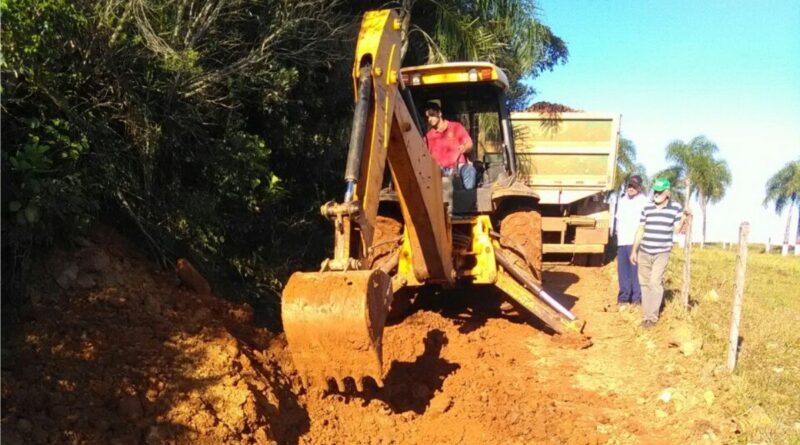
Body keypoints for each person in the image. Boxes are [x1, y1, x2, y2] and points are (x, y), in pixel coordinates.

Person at [630, 178, 691, 328]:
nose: (656, 194)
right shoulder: (647, 208)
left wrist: (684, 217)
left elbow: (676, 230)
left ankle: (652, 317)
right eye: (655, 191)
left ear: (667, 193)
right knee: (644, 284)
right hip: (644, 250)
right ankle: (646, 316)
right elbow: (641, 229)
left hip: (661, 252)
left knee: (654, 283)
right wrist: (634, 250)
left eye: (659, 192)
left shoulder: (675, 208)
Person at [423, 102, 477, 189]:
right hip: (438, 171)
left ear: (440, 113)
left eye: (432, 115)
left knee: (470, 170)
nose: (430, 119)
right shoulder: (428, 137)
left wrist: (465, 147)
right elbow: (424, 157)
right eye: (427, 117)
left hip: (459, 167)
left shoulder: (456, 127)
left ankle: (467, 198)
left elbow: (469, 144)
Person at [613, 175, 648, 311]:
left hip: (636, 243)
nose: (631, 188)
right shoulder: (621, 201)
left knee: (635, 272)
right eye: (629, 185)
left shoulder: (644, 202)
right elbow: (618, 220)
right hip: (622, 241)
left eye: (634, 186)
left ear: (639, 188)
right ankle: (623, 298)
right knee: (623, 272)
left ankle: (636, 299)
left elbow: (645, 223)